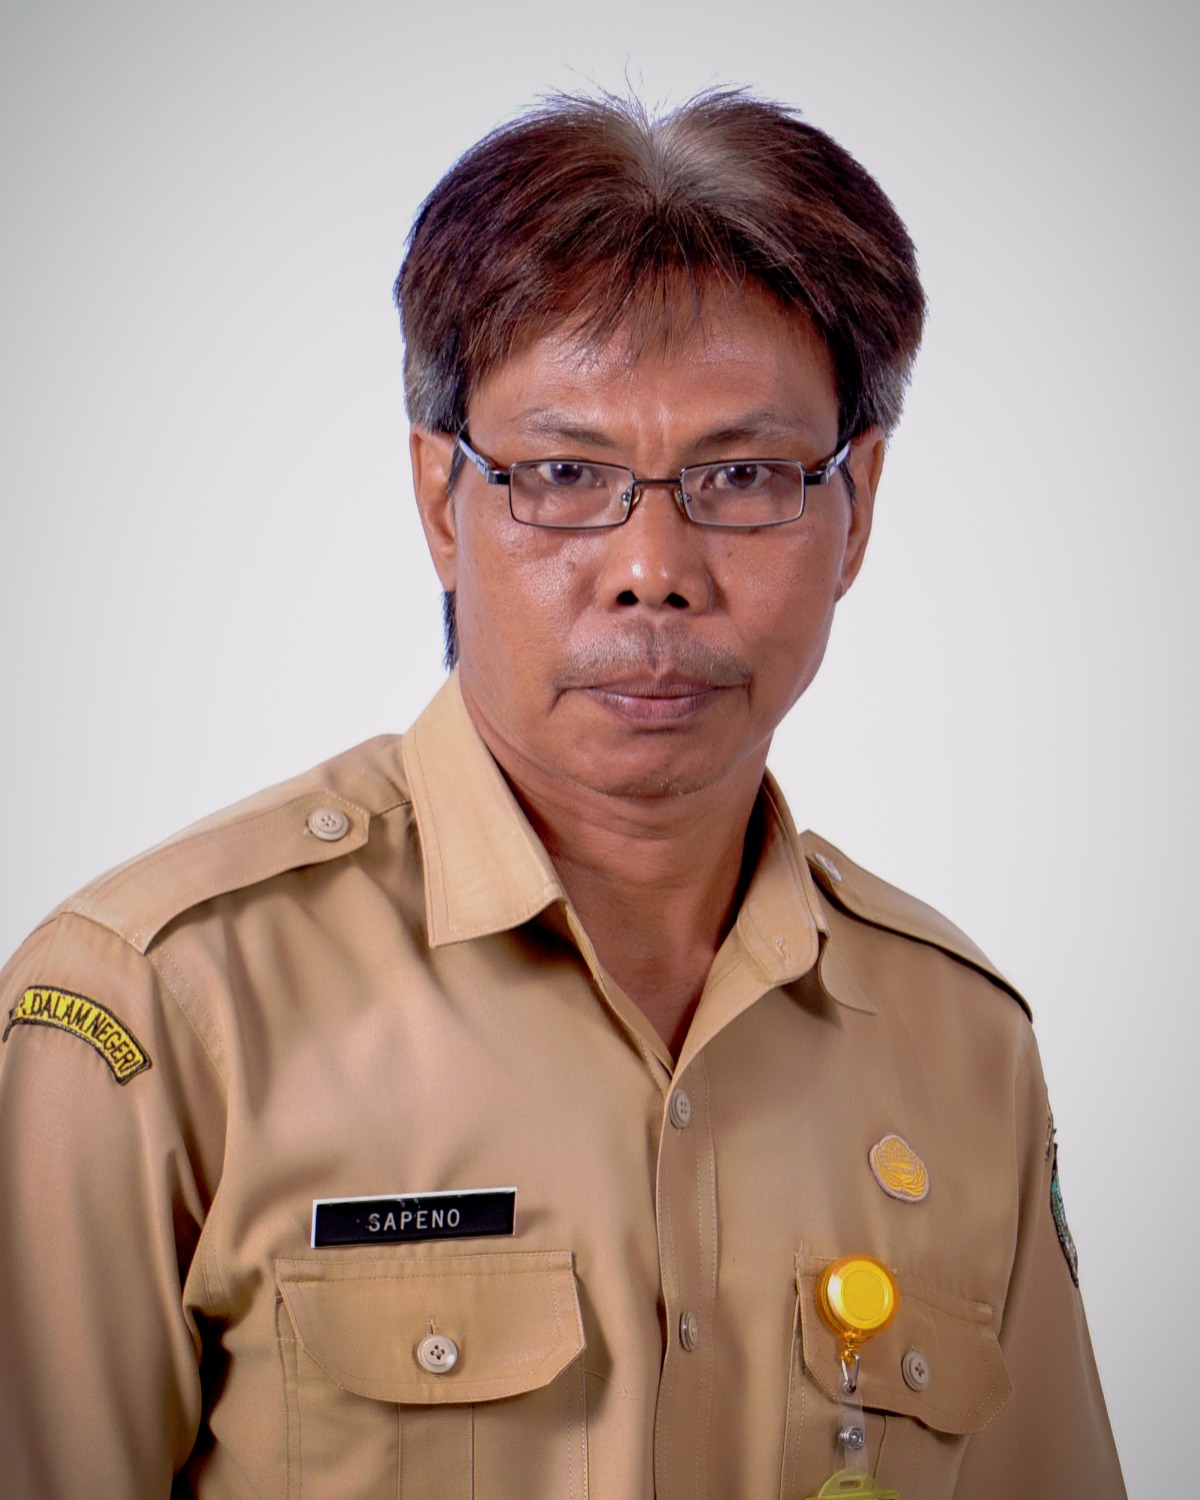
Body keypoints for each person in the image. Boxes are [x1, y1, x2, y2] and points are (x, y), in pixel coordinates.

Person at [0, 91, 1125, 1498]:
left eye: (743, 474)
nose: (653, 569)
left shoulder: (962, 1044)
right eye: (564, 473)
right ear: (440, 502)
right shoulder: (161, 1008)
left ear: (859, 512)